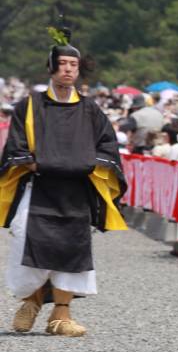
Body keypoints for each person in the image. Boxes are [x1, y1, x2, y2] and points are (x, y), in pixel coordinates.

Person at [0, 32, 128, 336]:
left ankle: (61, 315)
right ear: (50, 67)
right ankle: (31, 301)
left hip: (76, 191)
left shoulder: (90, 109)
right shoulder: (29, 106)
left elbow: (107, 147)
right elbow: (16, 148)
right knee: (29, 242)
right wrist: (40, 164)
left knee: (72, 249)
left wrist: (82, 164)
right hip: (38, 187)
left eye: (74, 64)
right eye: (63, 63)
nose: (68, 69)